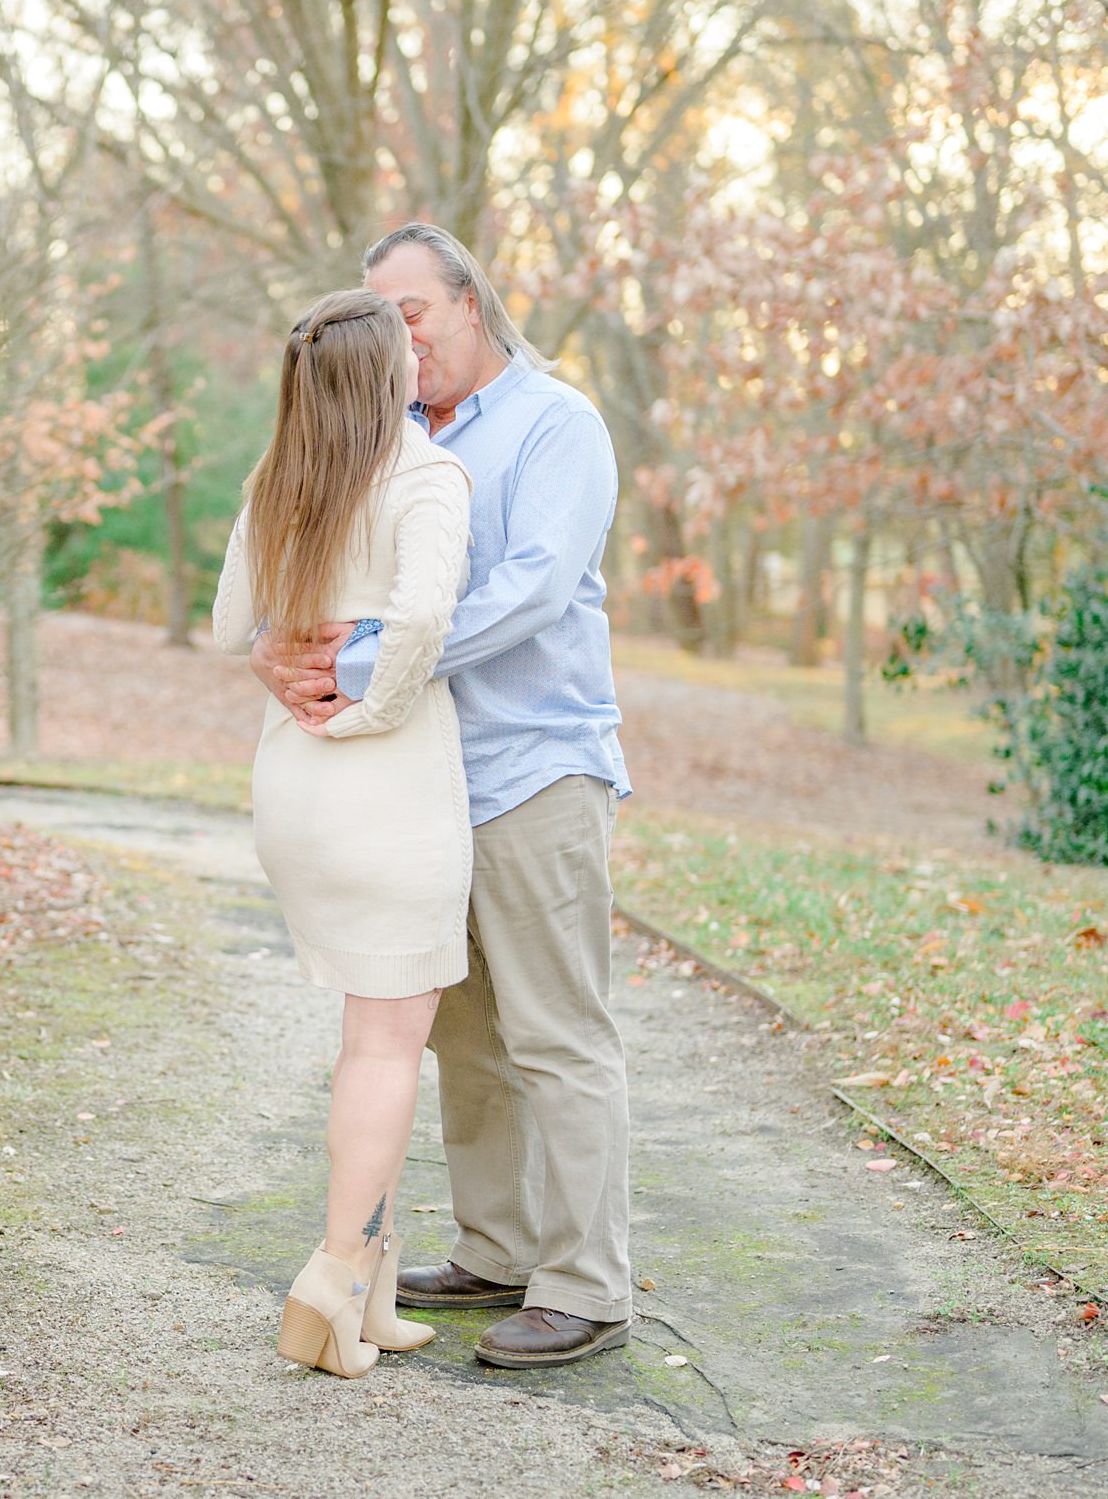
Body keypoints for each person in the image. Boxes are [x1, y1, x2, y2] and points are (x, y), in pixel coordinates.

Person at [251, 224, 634, 1370]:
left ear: (471, 302)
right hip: (421, 786)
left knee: (559, 1033)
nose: (399, 336)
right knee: (462, 1037)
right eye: (382, 318)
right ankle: (499, 1248)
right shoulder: (396, 439)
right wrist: (279, 648)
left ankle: (586, 1284)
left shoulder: (558, 425)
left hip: (535, 769)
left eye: (412, 311)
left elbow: (528, 592)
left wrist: (359, 663)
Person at [212, 288, 475, 1379]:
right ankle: (330, 1269)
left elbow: (236, 625)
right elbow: (421, 616)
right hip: (387, 787)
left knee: (371, 1037)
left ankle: (367, 1288)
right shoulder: (424, 474)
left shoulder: (279, 479)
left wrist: (295, 659)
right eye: (408, 348)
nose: (424, 358)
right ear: (385, 377)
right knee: (386, 1043)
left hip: (292, 788)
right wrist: (372, 706)